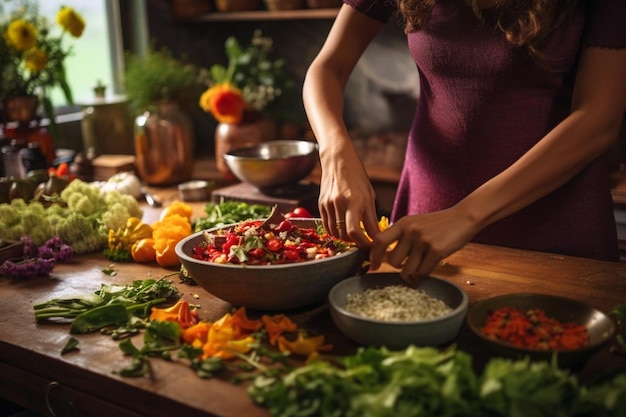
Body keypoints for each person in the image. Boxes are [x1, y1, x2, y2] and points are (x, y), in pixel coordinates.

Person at [302, 0, 626, 283]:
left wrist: (465, 215)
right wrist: (334, 152)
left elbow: (598, 118)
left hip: (554, 220)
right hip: (427, 210)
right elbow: (328, 67)